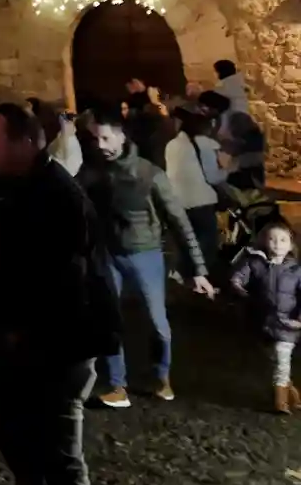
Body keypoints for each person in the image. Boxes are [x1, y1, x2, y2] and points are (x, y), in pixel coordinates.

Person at [0, 102, 119, 485]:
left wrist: (18, 335)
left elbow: (60, 282)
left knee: (57, 459)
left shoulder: (55, 197)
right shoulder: (12, 187)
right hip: (18, 347)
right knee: (25, 447)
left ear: (26, 142)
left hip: (48, 353)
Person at [79, 113, 216, 407]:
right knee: (109, 320)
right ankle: (117, 385)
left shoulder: (150, 174)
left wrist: (198, 270)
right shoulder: (91, 173)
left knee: (157, 322)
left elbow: (179, 221)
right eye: (95, 138)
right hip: (107, 254)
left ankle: (161, 377)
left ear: (121, 137)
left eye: (105, 137)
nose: (99, 144)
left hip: (146, 255)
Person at [226, 219, 301, 414]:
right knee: (274, 361)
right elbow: (237, 277)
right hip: (262, 323)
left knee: (281, 360)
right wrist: (239, 288)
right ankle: (292, 394)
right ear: (264, 241)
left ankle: (280, 402)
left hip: (287, 325)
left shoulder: (297, 270)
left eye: (283, 240)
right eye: (273, 239)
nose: (277, 243)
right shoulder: (255, 263)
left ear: (291, 244)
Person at [161, 109, 222, 283]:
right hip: (201, 201)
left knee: (188, 242)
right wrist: (229, 169)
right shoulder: (203, 144)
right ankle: (202, 279)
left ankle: (182, 275)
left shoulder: (171, 144)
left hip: (179, 201)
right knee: (206, 243)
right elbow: (213, 176)